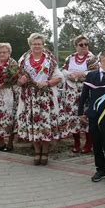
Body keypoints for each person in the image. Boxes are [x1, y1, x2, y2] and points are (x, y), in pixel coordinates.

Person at [17, 33, 66, 165]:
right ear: (30, 45)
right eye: (34, 43)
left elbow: (59, 77)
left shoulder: (50, 59)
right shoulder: (23, 60)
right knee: (33, 124)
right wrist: (20, 81)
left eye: (39, 43)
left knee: (45, 125)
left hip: (46, 98)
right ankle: (37, 151)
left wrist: (47, 83)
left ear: (43, 45)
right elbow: (17, 79)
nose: (37, 46)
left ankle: (45, 152)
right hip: (30, 98)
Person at [79, 49, 105, 186]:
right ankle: (100, 170)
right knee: (96, 143)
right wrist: (80, 113)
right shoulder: (91, 75)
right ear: (102, 58)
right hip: (93, 115)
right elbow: (84, 95)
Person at [61, 35, 98, 154]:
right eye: (81, 44)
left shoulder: (92, 58)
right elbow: (63, 70)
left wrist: (80, 74)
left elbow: (94, 71)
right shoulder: (70, 58)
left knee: (86, 116)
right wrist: (70, 75)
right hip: (71, 92)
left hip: (86, 91)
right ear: (76, 46)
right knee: (73, 116)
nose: (84, 47)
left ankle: (88, 143)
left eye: (86, 44)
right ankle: (76, 143)